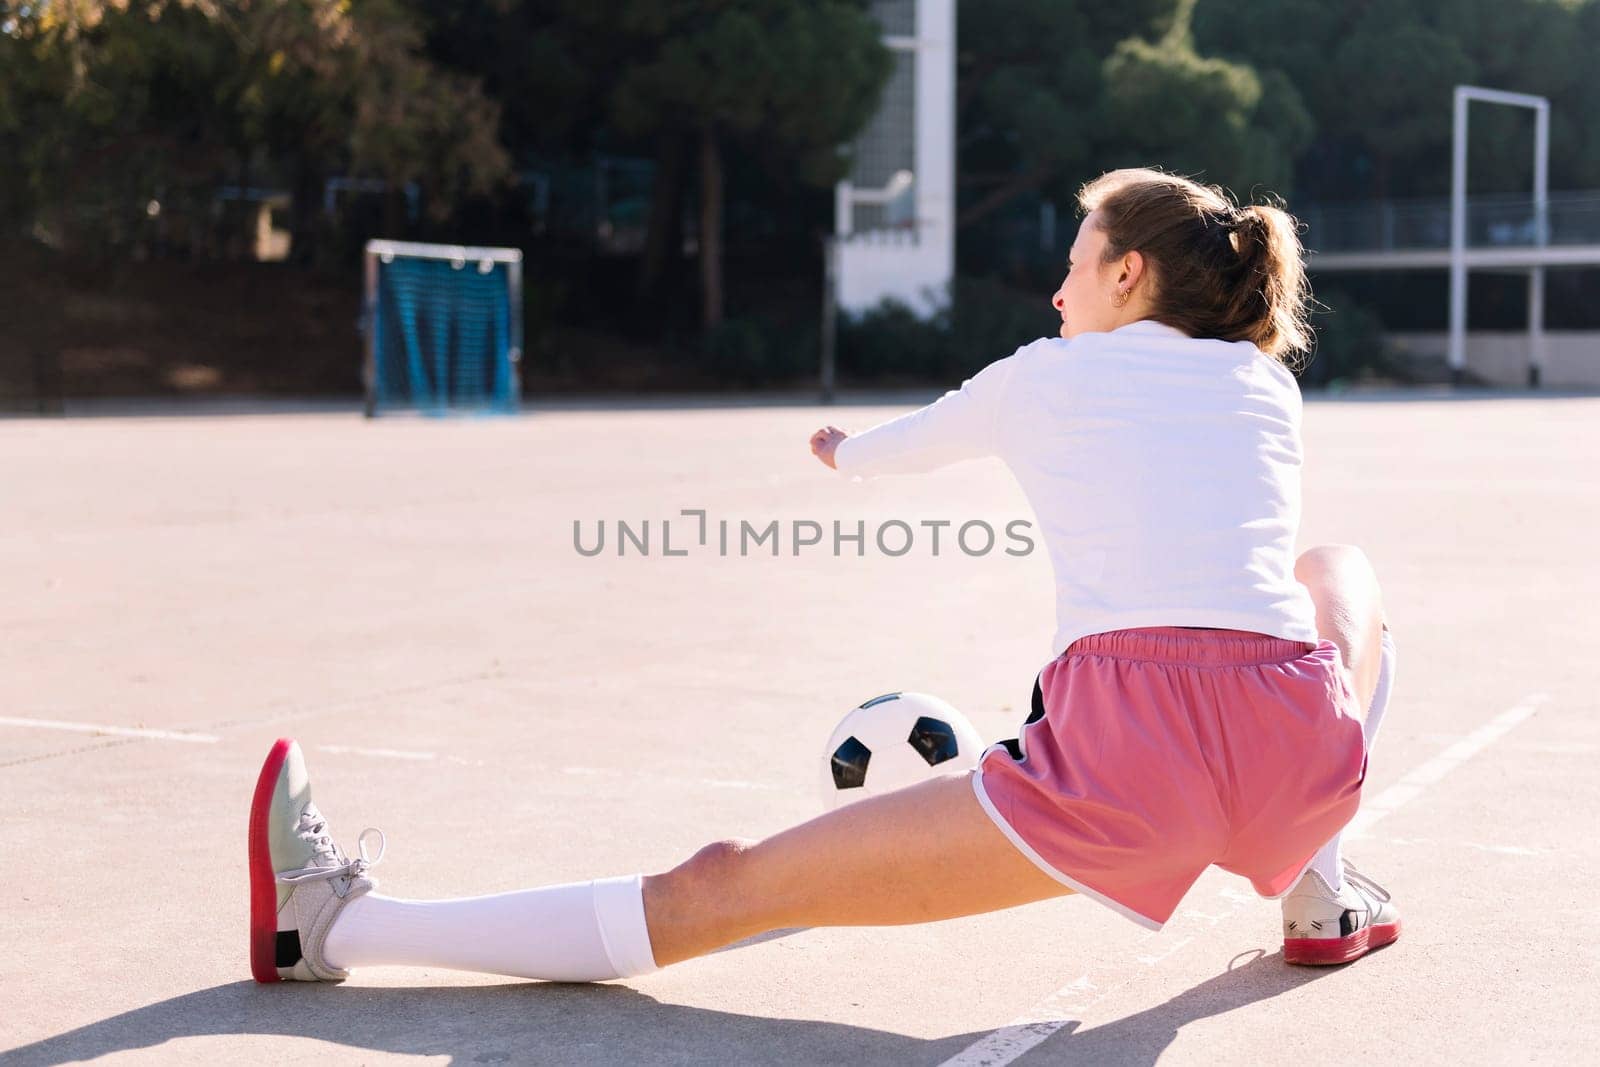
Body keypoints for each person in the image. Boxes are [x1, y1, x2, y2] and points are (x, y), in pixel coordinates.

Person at [249, 168, 1399, 986]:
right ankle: (1318, 888)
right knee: (1333, 569)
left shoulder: (1045, 373)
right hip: (1296, 749)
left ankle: (334, 928)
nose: (1058, 292)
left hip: (1128, 767)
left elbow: (903, 444)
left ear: (1128, 270)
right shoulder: (1267, 388)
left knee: (720, 884)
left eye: (1073, 265)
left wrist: (841, 452)